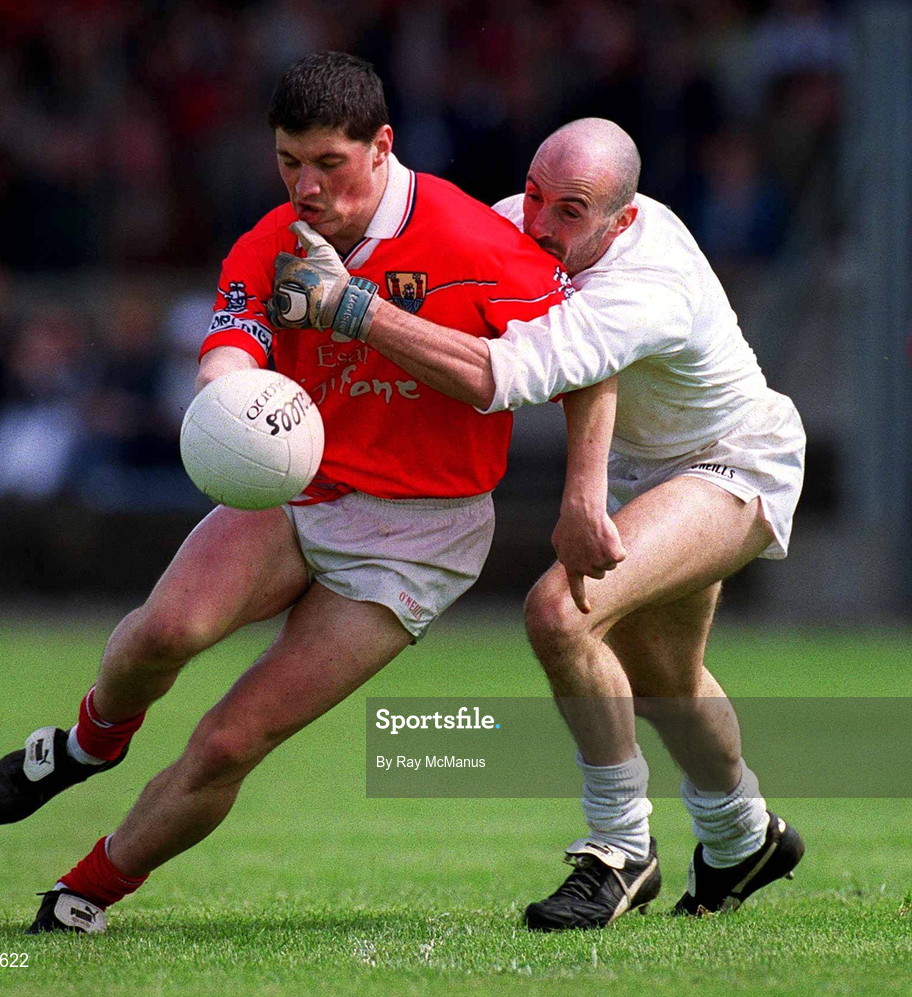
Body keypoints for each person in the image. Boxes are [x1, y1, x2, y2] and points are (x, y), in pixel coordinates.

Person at [0, 52, 598, 934]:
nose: (305, 187)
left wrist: (583, 496)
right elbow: (232, 346)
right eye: (288, 163)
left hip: (419, 534)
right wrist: (226, 403)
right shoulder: (270, 243)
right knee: (166, 631)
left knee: (231, 739)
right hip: (297, 491)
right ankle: (86, 744)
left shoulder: (475, 245)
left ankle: (86, 892)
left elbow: (588, 367)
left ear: (381, 147)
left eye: (327, 164)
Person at [268, 117, 807, 930]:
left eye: (570, 211)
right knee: (667, 685)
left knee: (559, 613)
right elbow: (420, 234)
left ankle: (619, 849)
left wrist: (349, 306)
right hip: (642, 469)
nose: (537, 225)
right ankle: (744, 835)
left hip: (730, 461)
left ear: (621, 219)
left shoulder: (642, 285)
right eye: (533, 195)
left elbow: (499, 377)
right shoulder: (518, 226)